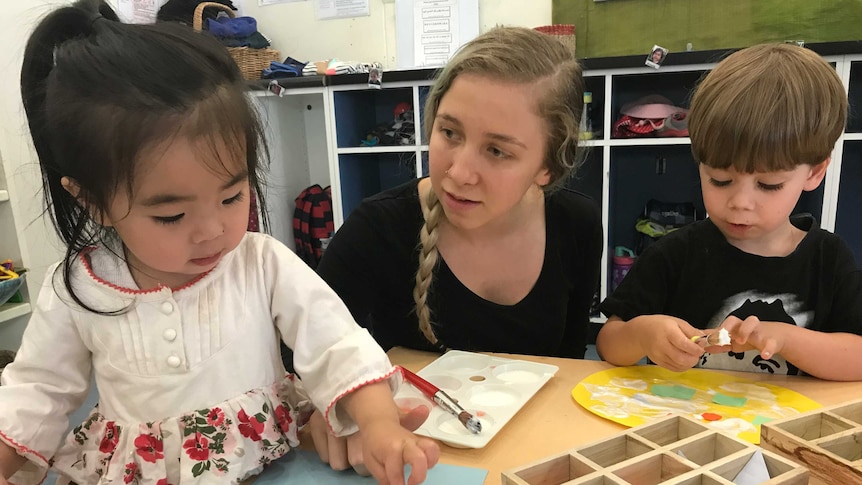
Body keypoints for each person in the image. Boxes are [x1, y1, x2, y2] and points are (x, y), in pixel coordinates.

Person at [0, 1, 438, 484]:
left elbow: (335, 343)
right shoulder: (80, 287)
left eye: (232, 195)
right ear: (91, 202)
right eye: (171, 215)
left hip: (270, 464)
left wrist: (377, 423)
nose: (213, 230)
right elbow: (39, 387)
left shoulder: (261, 263)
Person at [310, 26, 602, 472]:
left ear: (547, 165)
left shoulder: (575, 225)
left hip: (526, 459)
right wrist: (341, 405)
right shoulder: (379, 226)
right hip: (406, 461)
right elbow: (303, 350)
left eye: (498, 151)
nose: (460, 172)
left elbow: (564, 365)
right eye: (449, 132)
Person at [596, 43, 862, 381]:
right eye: (720, 180)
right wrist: (642, 335)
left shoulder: (828, 258)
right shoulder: (676, 253)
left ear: (813, 172)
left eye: (768, 185)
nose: (740, 202)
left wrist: (786, 338)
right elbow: (608, 344)